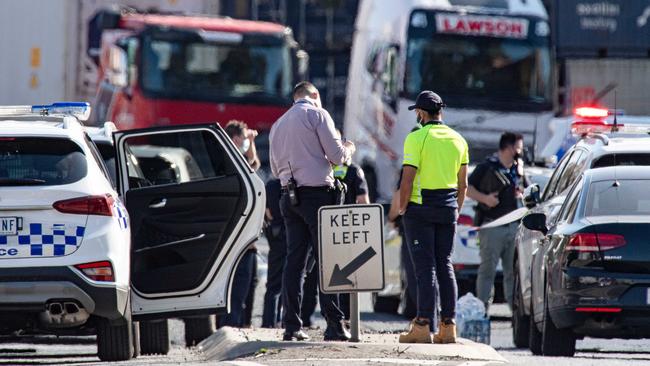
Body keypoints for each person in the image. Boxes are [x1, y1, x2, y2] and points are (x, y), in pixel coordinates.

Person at [269, 81, 356, 341]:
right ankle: (334, 325)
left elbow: (275, 171)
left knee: (294, 263)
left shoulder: (278, 124)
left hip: (289, 197)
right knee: (329, 261)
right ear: (314, 95)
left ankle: (292, 326)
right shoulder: (318, 114)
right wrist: (349, 148)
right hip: (317, 196)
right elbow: (338, 156)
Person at [398, 91, 468, 344]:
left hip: (420, 208)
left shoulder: (416, 138)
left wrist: (403, 207)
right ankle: (448, 325)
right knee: (445, 265)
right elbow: (464, 184)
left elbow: (408, 177)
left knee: (424, 268)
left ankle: (423, 324)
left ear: (421, 113)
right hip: (448, 208)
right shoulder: (458, 139)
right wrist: (456, 210)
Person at [468, 132, 528, 311]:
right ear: (508, 148)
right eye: (518, 147)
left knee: (512, 272)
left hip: (514, 226)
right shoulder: (487, 167)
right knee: (487, 270)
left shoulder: (519, 169)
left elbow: (525, 189)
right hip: (492, 226)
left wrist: (521, 194)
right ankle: (482, 309)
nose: (520, 151)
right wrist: (485, 198)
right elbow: (466, 188)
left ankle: (515, 314)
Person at [220, 120, 261, 327]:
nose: (246, 142)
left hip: (246, 238)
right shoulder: (230, 158)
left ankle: (239, 323)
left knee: (248, 285)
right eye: (244, 138)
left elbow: (254, 164)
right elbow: (252, 165)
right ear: (236, 139)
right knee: (237, 288)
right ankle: (230, 324)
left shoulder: (235, 157)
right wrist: (250, 142)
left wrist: (251, 141)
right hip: (236, 237)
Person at [261, 178, 286, 328]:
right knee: (292, 282)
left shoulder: (271, 185)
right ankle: (282, 322)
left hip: (276, 236)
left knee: (273, 286)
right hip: (294, 236)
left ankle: (268, 323)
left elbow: (268, 213)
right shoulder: (299, 181)